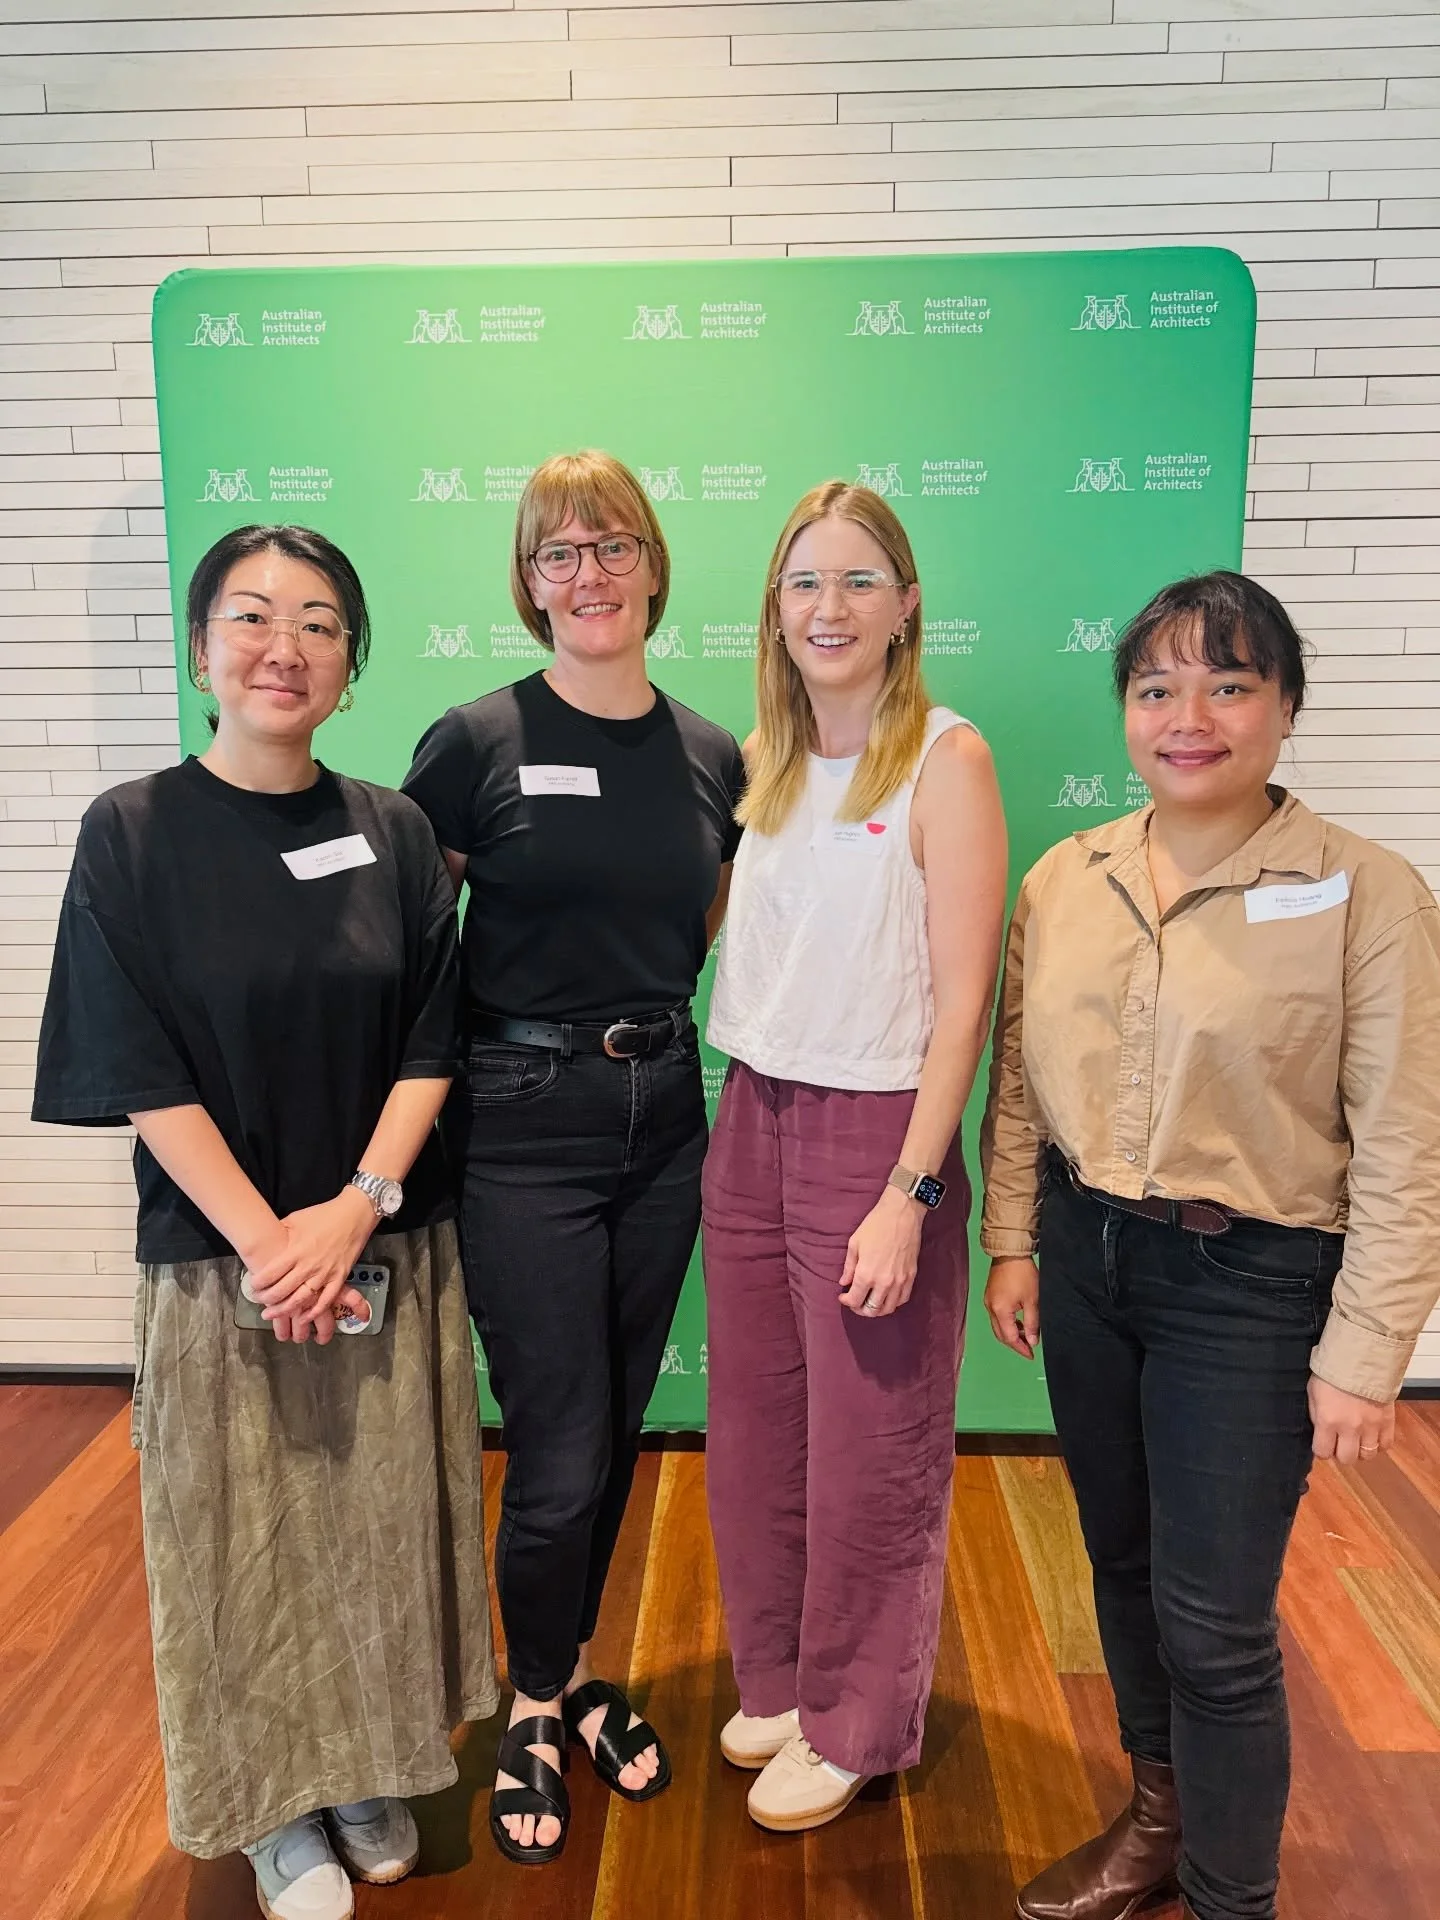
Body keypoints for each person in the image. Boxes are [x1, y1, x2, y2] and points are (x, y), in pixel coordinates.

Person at [31, 525, 498, 1920]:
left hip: (381, 1246)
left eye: (318, 623)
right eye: (250, 616)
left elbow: (433, 1040)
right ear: (200, 650)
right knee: (236, 1541)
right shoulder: (131, 830)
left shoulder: (397, 830)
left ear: (351, 668)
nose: (282, 646)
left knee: (373, 1525)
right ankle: (274, 1809)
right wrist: (267, 1241)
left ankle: (366, 1767)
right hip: (218, 1264)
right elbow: (135, 1062)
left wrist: (350, 1212)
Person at [981, 571, 1440, 1920]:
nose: (1191, 716)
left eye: (1230, 683)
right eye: (1158, 686)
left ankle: (1237, 1897)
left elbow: (1410, 1139)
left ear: (1285, 708)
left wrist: (1367, 1353)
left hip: (1251, 1289)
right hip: (1088, 1258)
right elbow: (1021, 1079)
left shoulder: (1368, 894)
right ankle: (1159, 1822)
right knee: (1119, 1564)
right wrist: (1015, 1236)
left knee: (1219, 1623)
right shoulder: (1068, 876)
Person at [402, 450, 745, 1865]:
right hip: (521, 1121)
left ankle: (571, 1663)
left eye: (611, 546)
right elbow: (408, 956)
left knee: (610, 1433)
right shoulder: (476, 741)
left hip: (665, 1112)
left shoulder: (716, 752)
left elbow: (707, 931)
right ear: (527, 582)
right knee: (554, 1445)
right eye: (557, 552)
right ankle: (534, 1701)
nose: (587, 573)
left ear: (656, 567)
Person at [701, 481, 1008, 1831]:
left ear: (907, 604)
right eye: (804, 582)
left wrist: (911, 1190)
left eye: (858, 580)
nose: (829, 607)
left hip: (878, 1134)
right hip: (749, 1113)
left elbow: (963, 1001)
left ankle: (857, 1716)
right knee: (759, 1436)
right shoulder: (761, 760)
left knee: (873, 1448)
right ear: (776, 609)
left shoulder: (949, 757)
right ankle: (779, 1675)